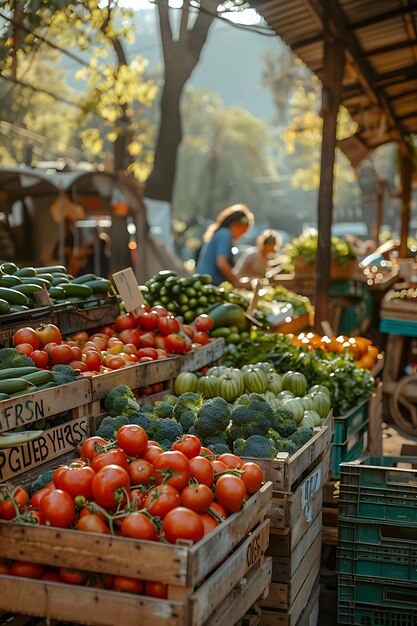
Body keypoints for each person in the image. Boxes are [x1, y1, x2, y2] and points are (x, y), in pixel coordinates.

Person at [196, 204, 254, 286]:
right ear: (236, 225)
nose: (243, 234)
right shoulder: (225, 234)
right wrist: (237, 282)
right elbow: (222, 264)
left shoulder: (222, 233)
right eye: (244, 230)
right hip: (210, 284)